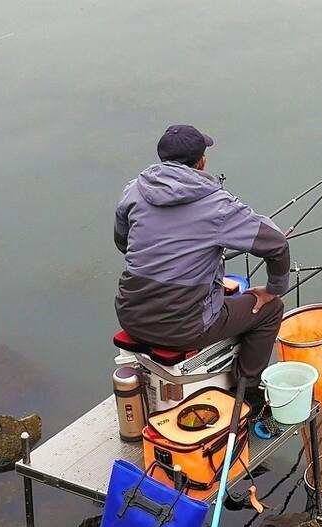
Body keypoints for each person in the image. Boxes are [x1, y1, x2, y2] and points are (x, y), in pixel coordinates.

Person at [114, 124, 289, 412]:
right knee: (269, 310)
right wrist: (273, 290)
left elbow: (123, 242)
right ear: (202, 161)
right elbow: (277, 245)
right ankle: (248, 392)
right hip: (184, 328)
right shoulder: (216, 204)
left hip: (130, 314)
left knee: (225, 295)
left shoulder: (133, 191)